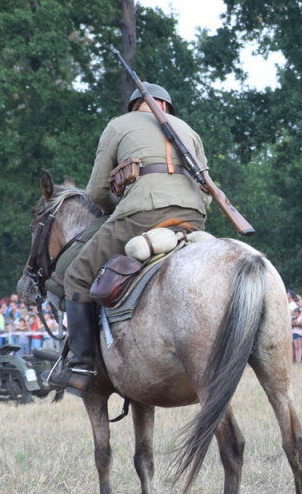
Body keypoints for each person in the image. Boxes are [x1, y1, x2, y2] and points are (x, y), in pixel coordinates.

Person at [52, 82, 210, 395]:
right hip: (192, 217)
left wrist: (119, 207)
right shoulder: (189, 131)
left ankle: (82, 366)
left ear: (134, 105)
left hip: (142, 215)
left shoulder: (118, 126)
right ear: (166, 107)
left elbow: (96, 192)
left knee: (77, 275)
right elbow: (206, 193)